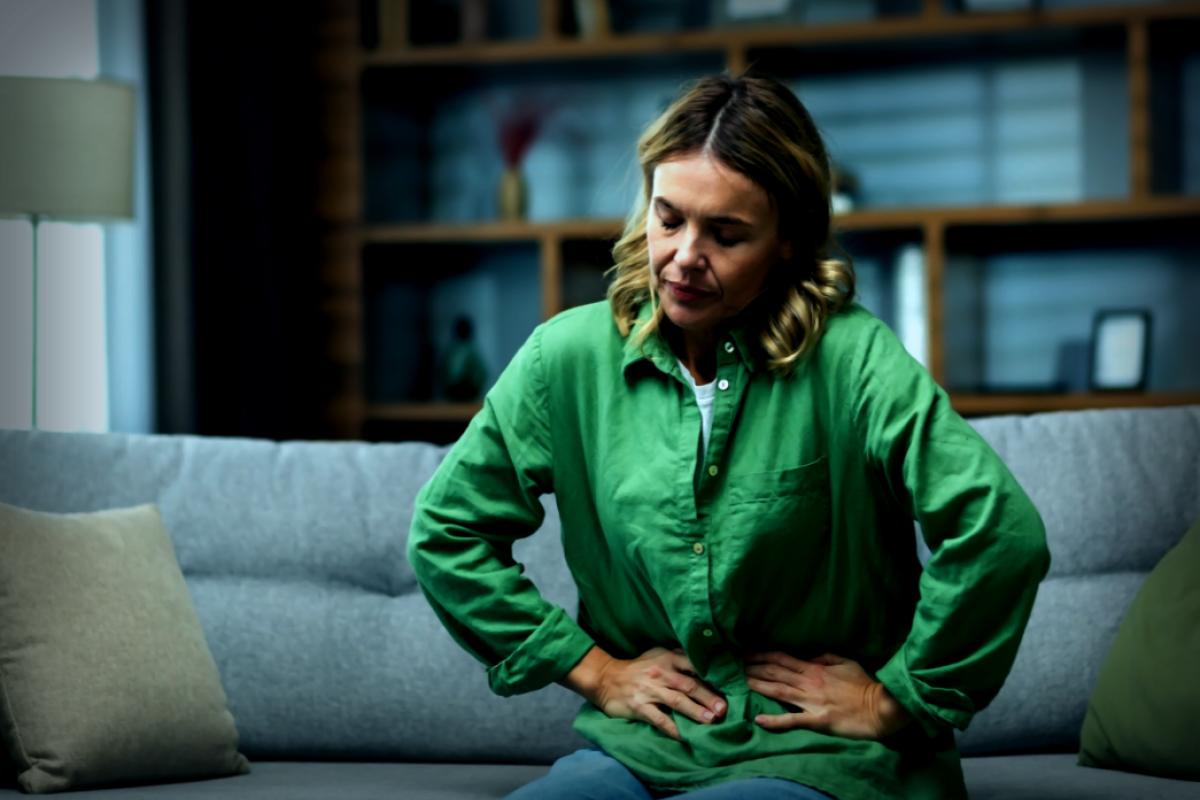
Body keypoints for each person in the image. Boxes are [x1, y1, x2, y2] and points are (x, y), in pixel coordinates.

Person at [407, 73, 1050, 799]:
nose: (684, 256)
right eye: (668, 219)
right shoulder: (566, 358)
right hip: (643, 750)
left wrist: (890, 701)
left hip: (822, 757)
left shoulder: (854, 359)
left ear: (787, 242)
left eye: (726, 234)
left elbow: (1002, 535)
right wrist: (596, 671)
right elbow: (446, 532)